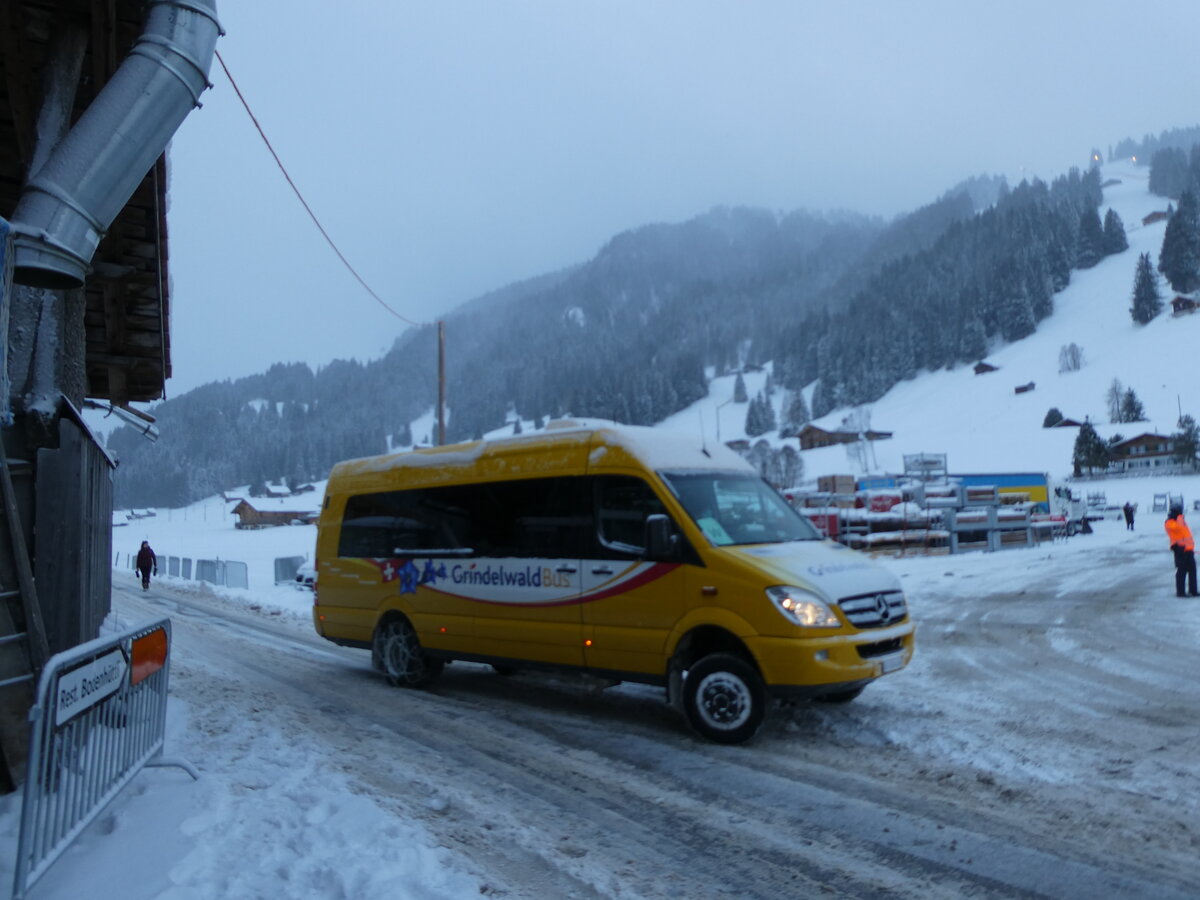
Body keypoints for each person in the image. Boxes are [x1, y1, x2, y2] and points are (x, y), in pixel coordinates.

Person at [1164, 507, 1198, 597]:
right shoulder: (1169, 522)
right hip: (1180, 549)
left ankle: (1193, 590)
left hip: (1188, 549)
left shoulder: (1181, 521)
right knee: (1181, 571)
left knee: (1192, 570)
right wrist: (1179, 518)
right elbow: (1177, 528)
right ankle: (1180, 592)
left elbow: (1186, 534)